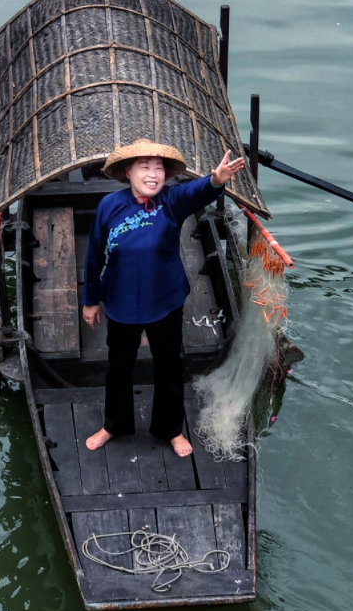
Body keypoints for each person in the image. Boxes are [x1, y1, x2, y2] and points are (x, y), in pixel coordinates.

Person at [81, 139, 246, 457]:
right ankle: (113, 425)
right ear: (128, 172)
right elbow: (93, 256)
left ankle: (170, 429)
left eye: (159, 169)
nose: (153, 175)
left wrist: (216, 180)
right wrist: (90, 300)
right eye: (144, 168)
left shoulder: (172, 201)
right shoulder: (109, 206)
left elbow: (199, 190)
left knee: (169, 365)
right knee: (119, 366)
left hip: (165, 301)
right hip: (120, 302)